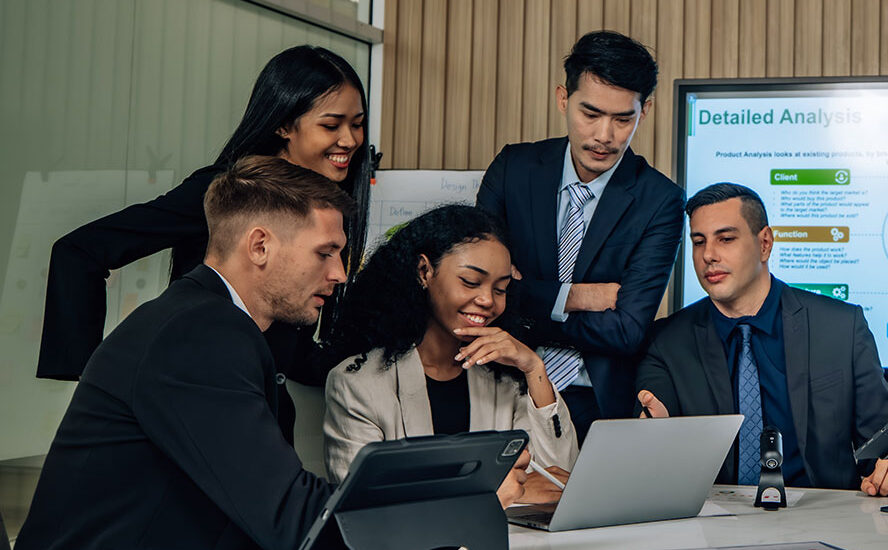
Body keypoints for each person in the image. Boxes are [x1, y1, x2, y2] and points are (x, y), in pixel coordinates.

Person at [35, 45, 371, 444]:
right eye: (331, 125)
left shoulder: (325, 205)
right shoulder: (231, 191)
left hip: (263, 415)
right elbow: (79, 251)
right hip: (205, 416)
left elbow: (290, 352)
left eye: (357, 124)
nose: (349, 140)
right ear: (284, 124)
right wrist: (100, 380)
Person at [17, 156, 352, 550]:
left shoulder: (200, 319)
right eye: (325, 253)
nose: (340, 273)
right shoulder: (199, 334)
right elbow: (287, 514)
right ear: (260, 246)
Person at [635, 183, 888, 498]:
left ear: (765, 243)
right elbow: (651, 453)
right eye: (698, 242)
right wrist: (654, 436)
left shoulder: (842, 327)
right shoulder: (667, 341)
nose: (708, 255)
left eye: (726, 239)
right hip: (713, 516)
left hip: (825, 512)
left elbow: (887, 448)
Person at [476, 31, 685, 440]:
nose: (605, 135)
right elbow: (477, 290)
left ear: (644, 111)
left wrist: (523, 299)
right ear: (563, 99)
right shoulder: (513, 169)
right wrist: (574, 296)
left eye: (623, 119)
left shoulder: (661, 200)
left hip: (596, 403)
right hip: (498, 387)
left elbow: (627, 330)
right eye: (590, 113)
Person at [320, 205, 577, 505]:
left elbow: (556, 482)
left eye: (501, 289)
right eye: (470, 282)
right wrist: (490, 493)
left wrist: (534, 368)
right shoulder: (358, 384)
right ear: (424, 272)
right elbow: (365, 507)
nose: (487, 300)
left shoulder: (507, 379)